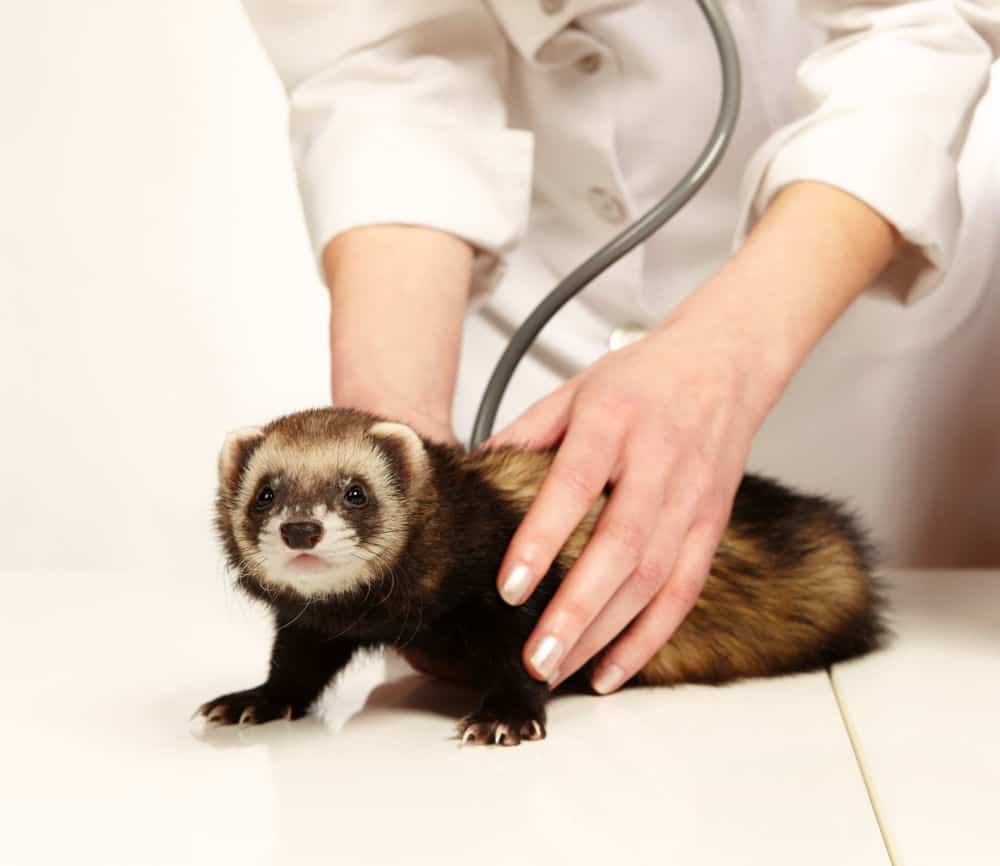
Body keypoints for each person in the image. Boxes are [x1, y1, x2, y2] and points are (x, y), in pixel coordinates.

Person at [239, 1, 999, 694]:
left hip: (840, 277)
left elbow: (922, 22)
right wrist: (392, 432)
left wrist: (728, 352)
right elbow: (380, 58)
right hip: (529, 287)